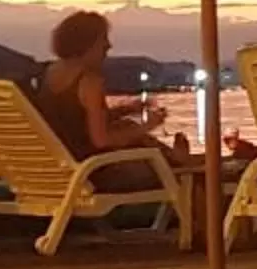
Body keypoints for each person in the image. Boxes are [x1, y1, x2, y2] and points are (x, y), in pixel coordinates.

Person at [39, 11, 168, 163]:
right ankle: (181, 162)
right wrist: (147, 126)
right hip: (94, 172)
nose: (108, 45)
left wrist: (126, 110)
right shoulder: (89, 82)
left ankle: (177, 159)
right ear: (87, 44)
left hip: (66, 164)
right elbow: (101, 140)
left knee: (126, 125)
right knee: (136, 137)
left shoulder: (49, 73)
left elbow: (74, 123)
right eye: (103, 39)